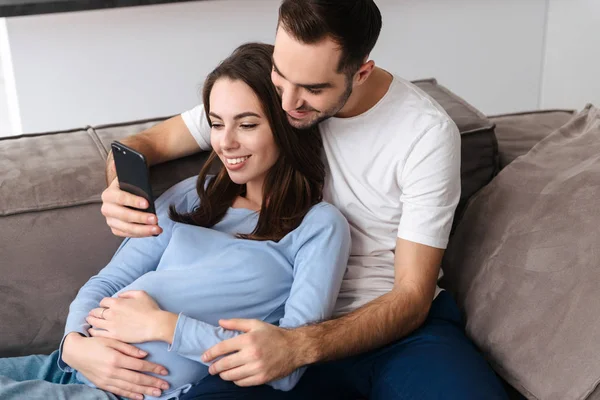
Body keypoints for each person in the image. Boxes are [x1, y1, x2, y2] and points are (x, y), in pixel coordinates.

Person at [97, 1, 509, 399]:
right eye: (280, 78)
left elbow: (411, 296)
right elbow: (146, 143)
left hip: (391, 333)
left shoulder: (425, 135)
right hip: (276, 329)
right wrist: (120, 184)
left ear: (361, 72)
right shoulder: (268, 90)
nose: (289, 103)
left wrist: (298, 346)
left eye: (312, 89)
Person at [0, 43, 351, 400]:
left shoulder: (318, 227)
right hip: (70, 364)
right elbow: (109, 280)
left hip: (126, 393)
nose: (225, 143)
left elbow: (287, 365)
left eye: (246, 124)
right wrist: (75, 344)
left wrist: (164, 326)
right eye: (216, 124)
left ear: (286, 126)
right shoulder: (195, 196)